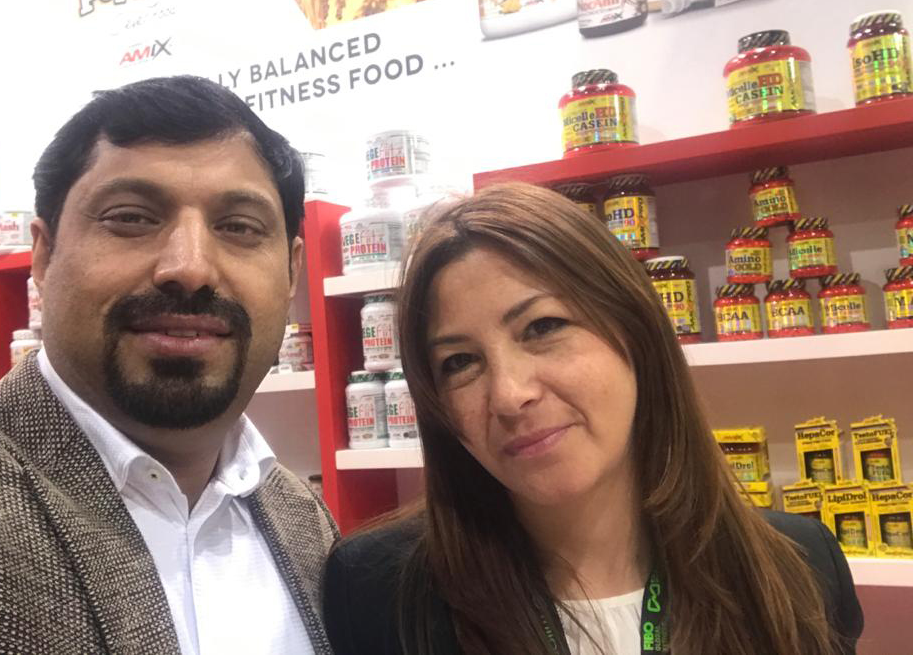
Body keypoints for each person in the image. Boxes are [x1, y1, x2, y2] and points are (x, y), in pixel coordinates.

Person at [0, 76, 337, 654]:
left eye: (239, 228)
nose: (190, 267)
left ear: (292, 272)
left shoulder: (306, 525)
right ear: (44, 256)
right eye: (131, 217)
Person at [323, 182, 862, 655]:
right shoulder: (377, 591)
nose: (509, 395)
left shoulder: (800, 566)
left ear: (635, 330)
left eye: (542, 327)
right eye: (460, 362)